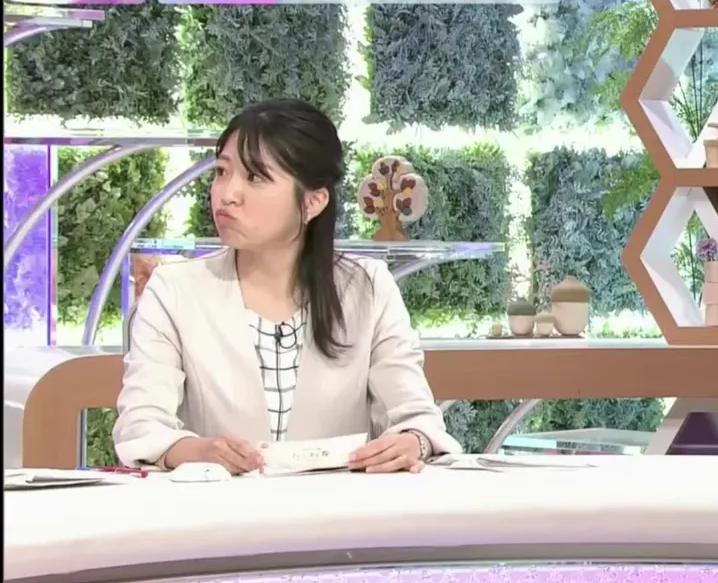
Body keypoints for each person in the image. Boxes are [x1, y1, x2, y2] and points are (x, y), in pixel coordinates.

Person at [114, 99, 460, 474]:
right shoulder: (174, 290)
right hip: (216, 505)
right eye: (222, 172)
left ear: (313, 201)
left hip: (341, 506)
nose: (227, 194)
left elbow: (417, 417)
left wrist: (413, 441)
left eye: (255, 177)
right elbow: (142, 427)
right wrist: (198, 451)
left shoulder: (369, 287)